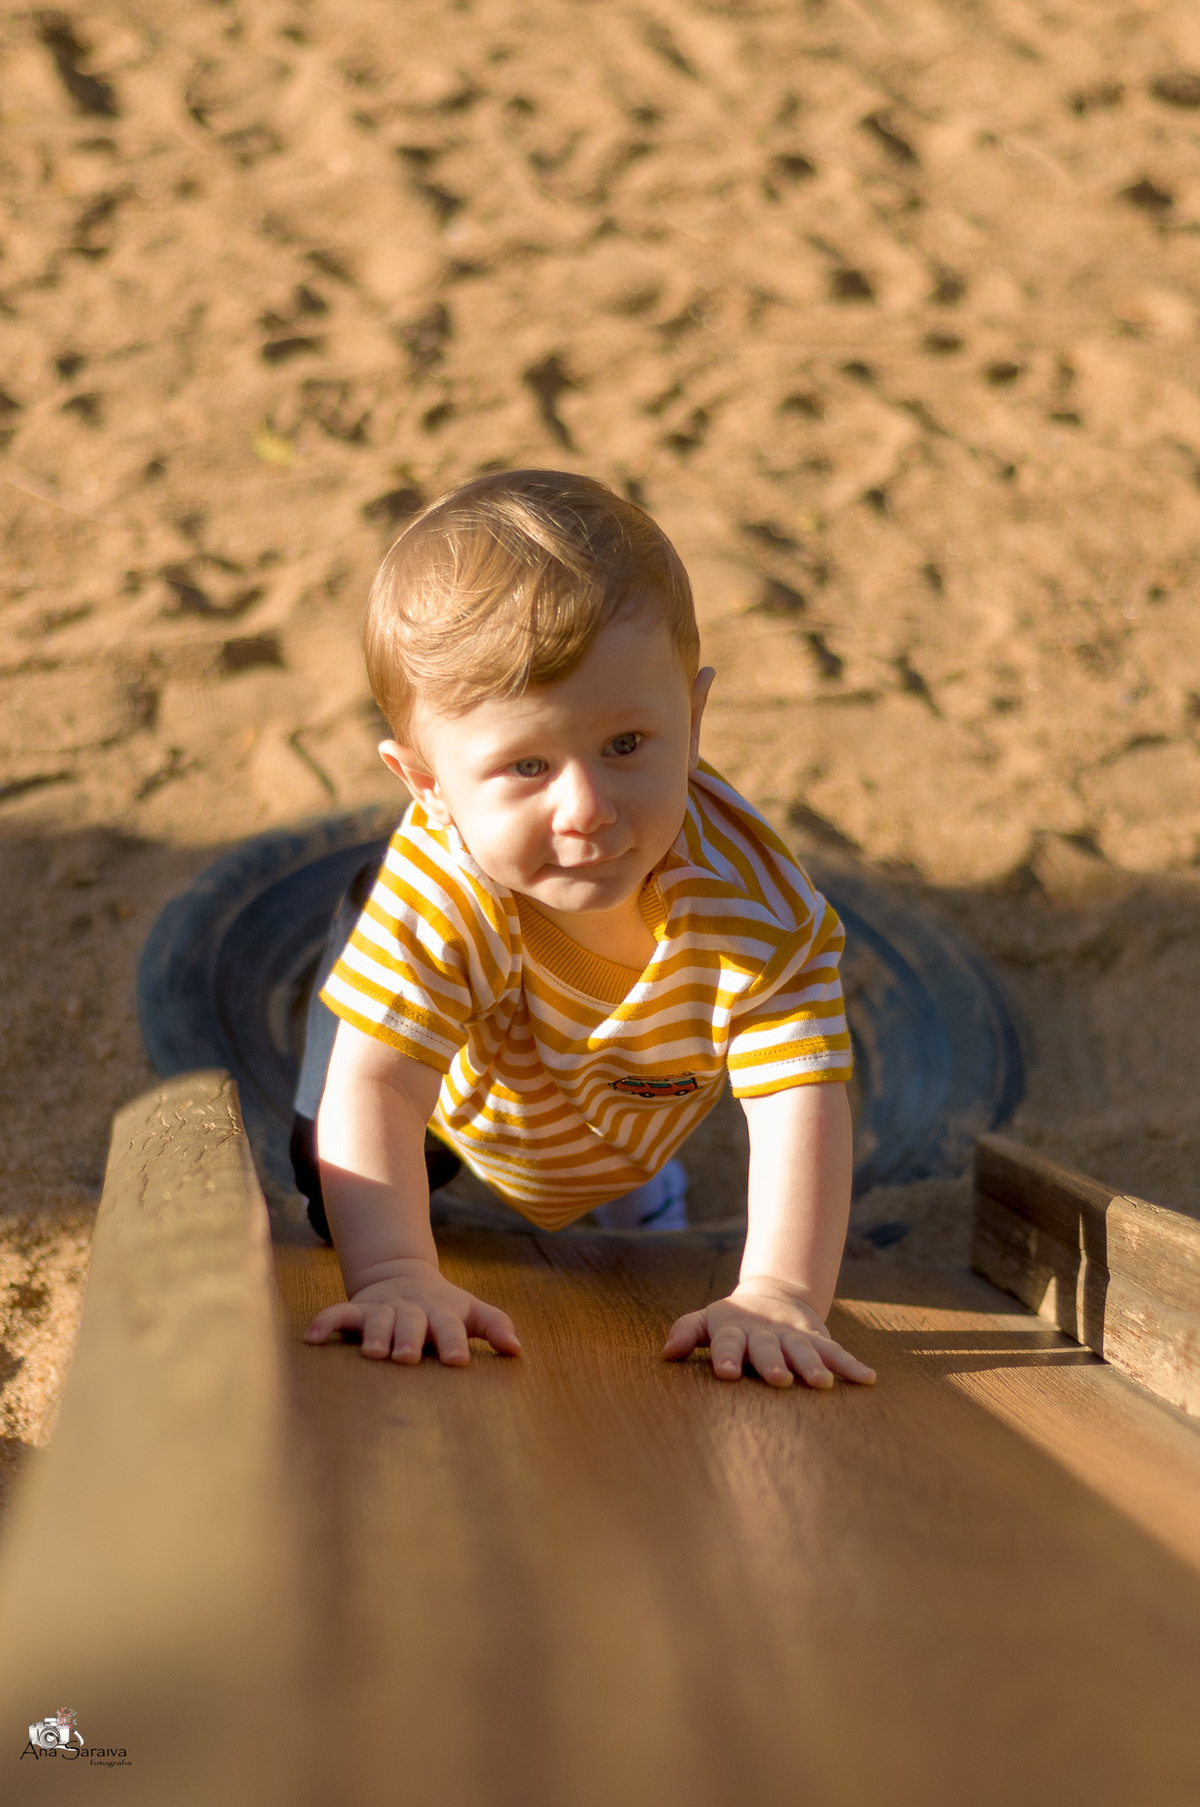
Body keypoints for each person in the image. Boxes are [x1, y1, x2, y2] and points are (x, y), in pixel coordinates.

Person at [303, 469, 876, 1390]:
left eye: (625, 746)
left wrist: (778, 1291)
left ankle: (643, 1194)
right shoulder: (443, 890)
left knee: (626, 1159)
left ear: (691, 718)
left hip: (633, 1078)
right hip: (464, 1086)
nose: (586, 809)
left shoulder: (759, 909)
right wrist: (399, 1276)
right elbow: (380, 1086)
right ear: (426, 783)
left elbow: (799, 1100)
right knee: (333, 1157)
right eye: (527, 764)